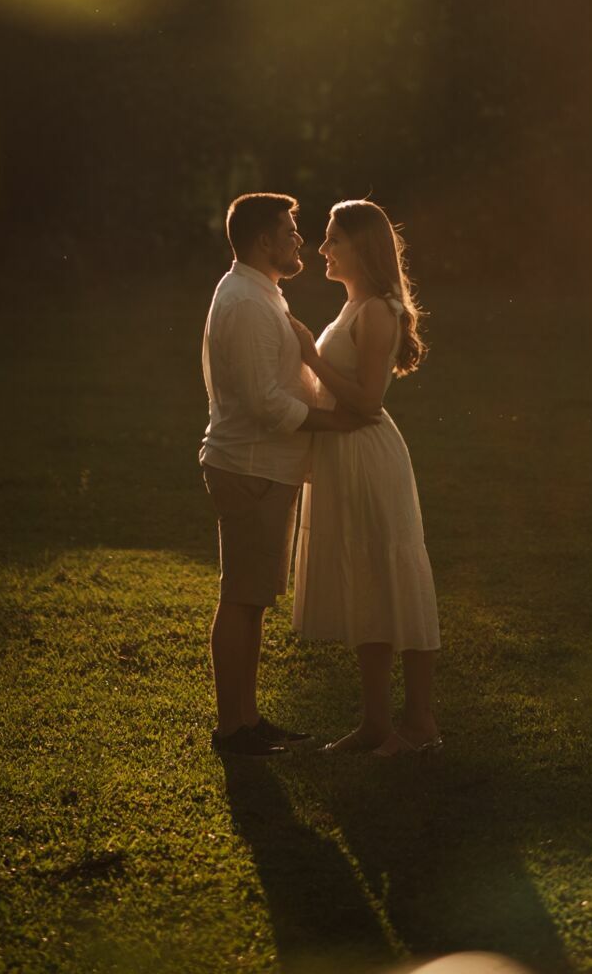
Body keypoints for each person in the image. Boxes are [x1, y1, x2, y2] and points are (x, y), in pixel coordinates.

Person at [200, 191, 372, 758]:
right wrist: (334, 422)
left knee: (251, 599)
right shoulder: (247, 303)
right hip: (250, 466)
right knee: (241, 598)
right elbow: (263, 402)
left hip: (263, 466)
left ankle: (247, 720)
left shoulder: (258, 293)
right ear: (263, 241)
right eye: (290, 231)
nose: (300, 240)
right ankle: (232, 729)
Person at [290, 199, 441, 756]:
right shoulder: (353, 305)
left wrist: (311, 357)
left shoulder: (377, 310)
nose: (322, 248)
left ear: (363, 246)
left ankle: (420, 724)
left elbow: (369, 401)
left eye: (334, 239)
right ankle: (375, 723)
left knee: (394, 576)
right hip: (342, 453)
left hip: (369, 455)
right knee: (366, 584)